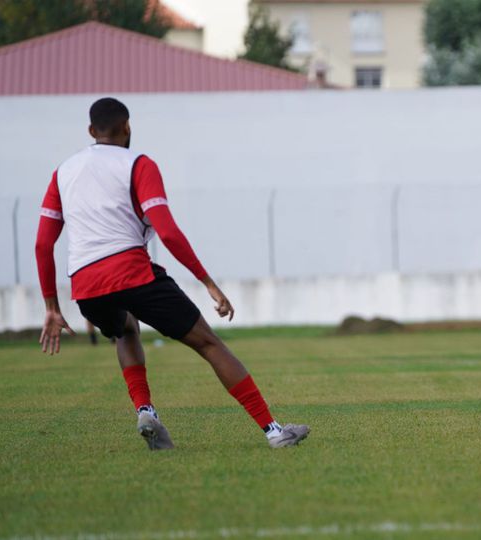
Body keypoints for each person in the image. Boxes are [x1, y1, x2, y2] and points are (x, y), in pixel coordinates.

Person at [35, 97, 309, 450]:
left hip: (86, 286)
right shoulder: (139, 164)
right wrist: (207, 282)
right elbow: (167, 232)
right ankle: (274, 431)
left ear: (91, 131)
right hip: (133, 272)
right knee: (209, 343)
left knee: (125, 329)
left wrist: (51, 307)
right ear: (128, 127)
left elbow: (43, 244)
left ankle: (146, 410)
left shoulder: (63, 172)